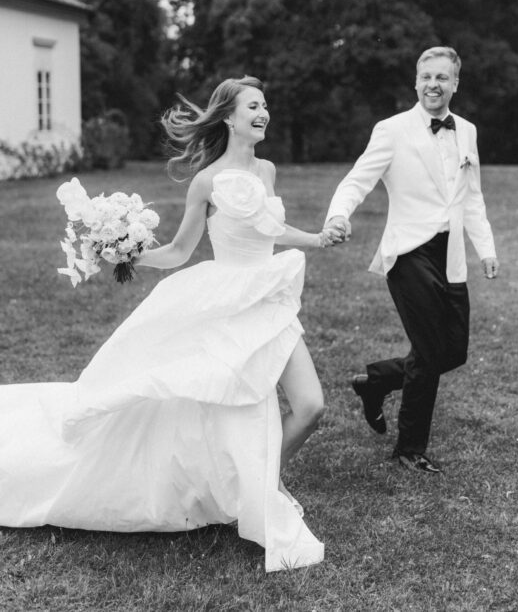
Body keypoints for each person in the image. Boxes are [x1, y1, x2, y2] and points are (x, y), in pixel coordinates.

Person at [0, 76, 334, 572]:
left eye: (265, 105)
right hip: (228, 305)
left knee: (310, 407)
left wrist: (317, 238)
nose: (263, 113)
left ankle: (259, 486)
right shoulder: (207, 182)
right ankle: (262, 492)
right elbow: (180, 250)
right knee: (238, 412)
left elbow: (271, 227)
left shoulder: (267, 169)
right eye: (253, 106)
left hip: (270, 297)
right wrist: (126, 253)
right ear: (229, 117)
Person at [325, 46, 499, 473]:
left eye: (442, 77)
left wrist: (486, 248)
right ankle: (409, 449)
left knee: (453, 350)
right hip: (408, 252)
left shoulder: (467, 131)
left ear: (455, 83)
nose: (433, 85)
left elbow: (471, 197)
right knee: (428, 349)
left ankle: (377, 382)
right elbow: (357, 179)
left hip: (450, 254)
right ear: (416, 82)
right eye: (426, 77)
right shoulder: (392, 130)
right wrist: (338, 215)